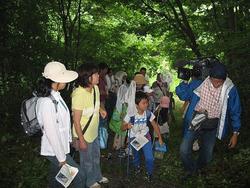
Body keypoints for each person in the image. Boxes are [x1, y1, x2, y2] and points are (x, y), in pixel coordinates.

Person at [176, 62, 241, 180]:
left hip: (212, 124)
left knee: (207, 156)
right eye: (213, 81)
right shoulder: (199, 83)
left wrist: (235, 133)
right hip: (196, 121)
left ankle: (197, 169)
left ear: (225, 79)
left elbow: (235, 110)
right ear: (209, 77)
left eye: (219, 82)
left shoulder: (230, 89)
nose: (216, 84)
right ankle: (191, 170)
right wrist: (184, 82)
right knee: (184, 150)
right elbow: (183, 95)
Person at [36, 61, 85, 188]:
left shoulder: (56, 96)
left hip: (60, 148)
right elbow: (51, 132)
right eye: (64, 79)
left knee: (57, 181)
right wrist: (62, 159)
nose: (66, 82)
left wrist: (70, 140)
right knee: (80, 176)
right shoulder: (46, 102)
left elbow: (61, 124)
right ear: (56, 81)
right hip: (54, 151)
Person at [71, 63, 109, 188]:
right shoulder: (79, 94)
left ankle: (97, 176)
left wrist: (101, 110)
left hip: (94, 131)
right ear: (88, 77)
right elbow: (76, 121)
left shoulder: (95, 89)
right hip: (83, 134)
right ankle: (89, 181)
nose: (99, 76)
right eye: (96, 74)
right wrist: (81, 140)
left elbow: (96, 105)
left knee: (96, 156)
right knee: (86, 161)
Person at [122, 91, 164, 182]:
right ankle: (137, 167)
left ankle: (149, 173)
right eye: (144, 103)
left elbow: (155, 125)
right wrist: (126, 126)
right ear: (136, 105)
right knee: (136, 155)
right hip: (134, 138)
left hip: (145, 137)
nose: (146, 105)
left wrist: (160, 137)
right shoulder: (130, 114)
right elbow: (122, 127)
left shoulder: (148, 113)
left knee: (150, 157)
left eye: (147, 102)